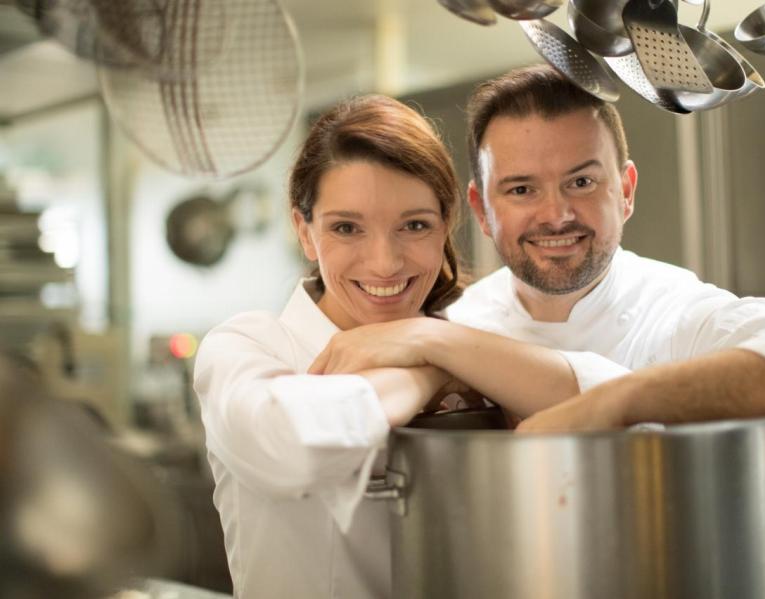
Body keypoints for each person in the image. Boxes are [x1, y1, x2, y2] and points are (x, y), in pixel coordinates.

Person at [311, 65, 765, 438]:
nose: (556, 214)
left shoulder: (682, 315)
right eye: (521, 189)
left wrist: (621, 400)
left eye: (582, 181)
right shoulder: (452, 324)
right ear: (483, 211)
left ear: (626, 191)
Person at [192, 94, 614, 599]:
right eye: (346, 228)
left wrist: (431, 340)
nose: (385, 262)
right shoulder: (248, 346)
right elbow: (295, 449)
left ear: (446, 224)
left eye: (414, 225)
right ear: (304, 231)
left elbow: (620, 404)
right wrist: (425, 370)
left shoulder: (469, 341)